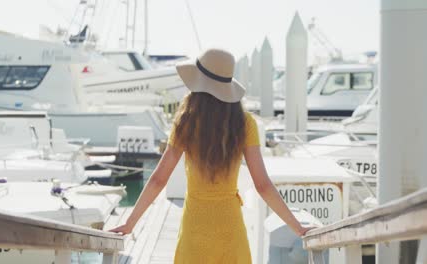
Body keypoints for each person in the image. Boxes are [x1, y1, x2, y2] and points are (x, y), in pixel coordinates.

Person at [110, 48, 314, 263]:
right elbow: (262, 185)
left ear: (198, 84)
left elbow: (158, 179)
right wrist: (297, 228)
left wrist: (130, 223)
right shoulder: (245, 123)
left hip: (195, 227)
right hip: (230, 226)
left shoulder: (185, 123)